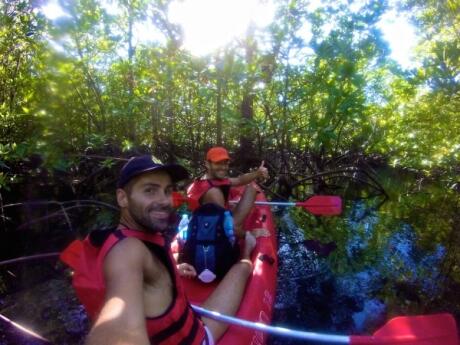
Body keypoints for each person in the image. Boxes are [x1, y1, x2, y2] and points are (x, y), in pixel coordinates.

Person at [84, 155, 257, 345]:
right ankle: (248, 249)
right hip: (198, 340)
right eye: (150, 190)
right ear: (122, 198)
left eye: (167, 191)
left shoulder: (132, 235)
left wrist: (174, 266)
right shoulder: (126, 251)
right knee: (242, 266)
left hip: (188, 324)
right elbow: (118, 329)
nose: (165, 201)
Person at [187, 146, 269, 238]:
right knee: (251, 191)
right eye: (218, 163)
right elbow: (230, 229)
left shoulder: (210, 179)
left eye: (225, 163)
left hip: (210, 224)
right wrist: (250, 234)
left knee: (251, 189)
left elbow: (239, 180)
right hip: (213, 237)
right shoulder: (213, 193)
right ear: (207, 164)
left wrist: (257, 173)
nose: (223, 167)